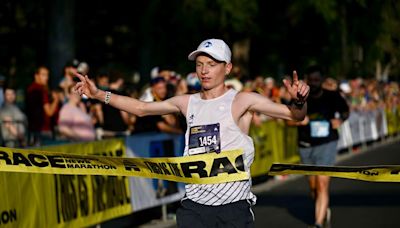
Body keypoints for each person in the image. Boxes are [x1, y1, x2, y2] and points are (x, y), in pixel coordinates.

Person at [74, 38, 310, 227]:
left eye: (212, 64)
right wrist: (98, 95)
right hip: (194, 206)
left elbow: (295, 115)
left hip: (233, 206)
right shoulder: (187, 102)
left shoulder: (241, 100)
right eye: (199, 64)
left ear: (227, 68)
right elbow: (141, 108)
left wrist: (299, 101)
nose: (204, 71)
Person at [295, 65, 349, 228]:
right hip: (306, 145)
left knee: (322, 184)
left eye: (318, 80)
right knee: (313, 187)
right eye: (312, 80)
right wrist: (298, 120)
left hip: (327, 143)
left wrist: (339, 120)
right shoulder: (300, 98)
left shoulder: (332, 96)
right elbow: (287, 119)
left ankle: (318, 223)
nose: (315, 83)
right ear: (307, 80)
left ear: (322, 80)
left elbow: (345, 111)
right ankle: (323, 208)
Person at [26, 66, 61, 146]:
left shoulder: (29, 89)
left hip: (32, 130)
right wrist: (56, 99)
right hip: (43, 131)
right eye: (43, 75)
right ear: (36, 75)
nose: (46, 78)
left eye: (47, 75)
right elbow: (49, 112)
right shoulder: (40, 90)